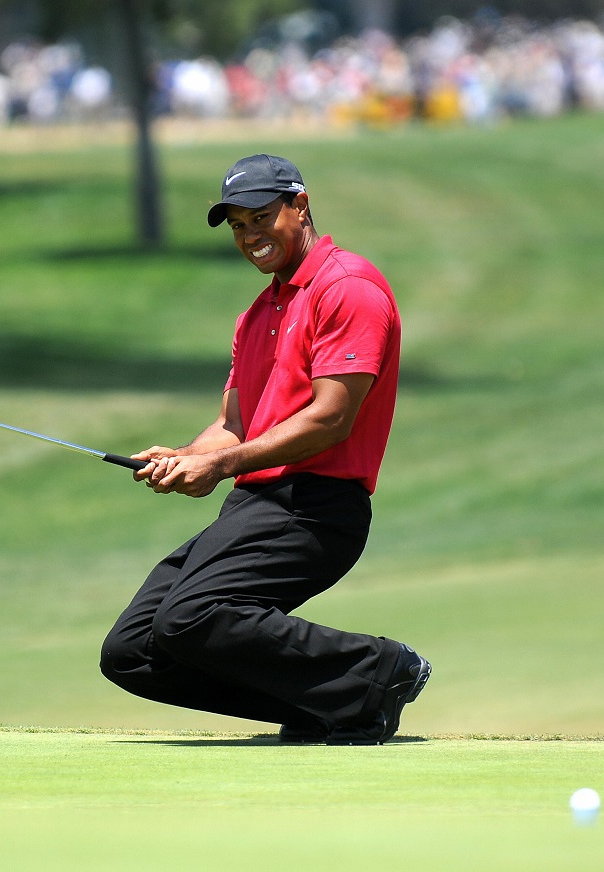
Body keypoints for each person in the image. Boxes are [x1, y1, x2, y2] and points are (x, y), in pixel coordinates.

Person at [99, 154, 430, 745]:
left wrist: (222, 463)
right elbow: (234, 423)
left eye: (261, 217)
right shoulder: (259, 313)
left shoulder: (347, 288)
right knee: (133, 650)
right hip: (255, 507)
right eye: (238, 225)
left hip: (315, 506)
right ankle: (330, 706)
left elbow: (331, 418)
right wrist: (185, 457)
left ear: (299, 206)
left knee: (191, 616)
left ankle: (376, 671)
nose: (250, 235)